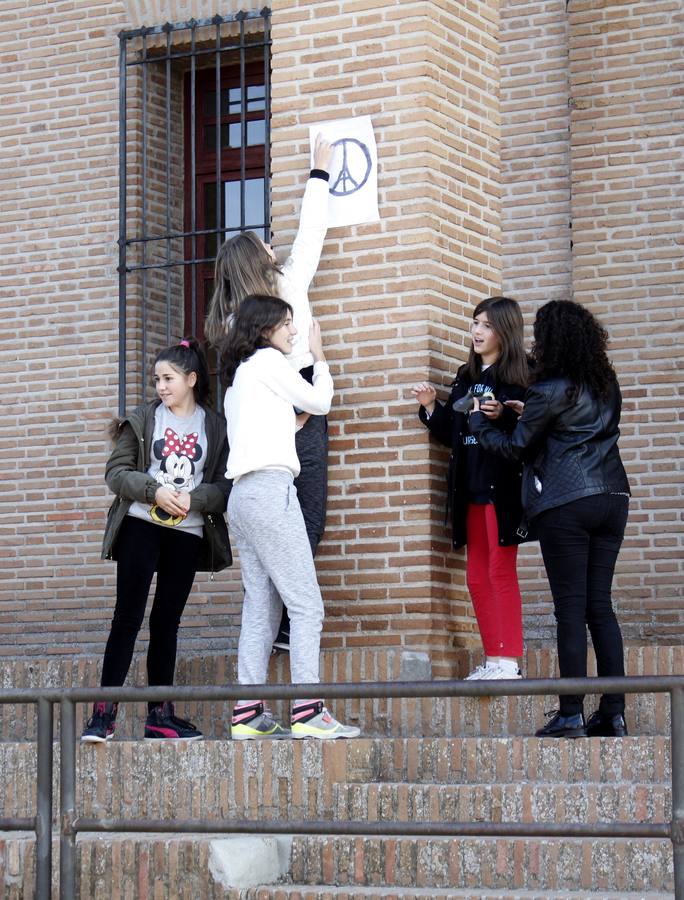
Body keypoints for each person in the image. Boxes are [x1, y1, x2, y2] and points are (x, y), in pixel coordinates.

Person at [470, 300, 630, 738]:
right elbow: (578, 429)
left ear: (554, 338)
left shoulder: (549, 387)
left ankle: (571, 712)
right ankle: (613, 712)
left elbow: (516, 448)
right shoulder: (605, 383)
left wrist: (482, 425)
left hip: (568, 502)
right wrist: (521, 413)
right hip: (613, 497)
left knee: (570, 610)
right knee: (601, 607)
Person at [206, 135, 335, 654]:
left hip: (272, 421)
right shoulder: (276, 294)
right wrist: (319, 175)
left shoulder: (238, 318)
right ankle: (291, 623)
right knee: (307, 516)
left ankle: (276, 630)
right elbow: (312, 236)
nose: (274, 249)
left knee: (303, 523)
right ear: (256, 262)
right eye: (265, 246)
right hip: (297, 400)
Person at [221, 294, 359, 740]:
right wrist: (319, 357)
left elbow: (264, 429)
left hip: (242, 497)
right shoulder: (269, 362)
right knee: (306, 605)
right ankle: (308, 710)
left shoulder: (241, 378)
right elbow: (320, 402)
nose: (294, 331)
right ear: (265, 330)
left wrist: (289, 423)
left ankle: (248, 713)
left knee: (260, 607)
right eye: (287, 324)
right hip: (270, 491)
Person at [81, 339, 232, 743]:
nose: (161, 387)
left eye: (168, 378)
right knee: (126, 619)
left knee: (167, 624)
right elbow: (116, 473)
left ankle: (160, 718)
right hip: (140, 527)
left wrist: (194, 499)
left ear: (192, 379)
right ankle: (102, 716)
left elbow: (224, 485)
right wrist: (153, 491)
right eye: (157, 379)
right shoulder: (143, 418)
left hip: (187, 533)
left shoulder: (214, 426)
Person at [412, 296, 531, 680]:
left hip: (503, 487)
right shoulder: (466, 375)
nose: (477, 331)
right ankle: (493, 658)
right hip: (470, 487)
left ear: (505, 332)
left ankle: (508, 660)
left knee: (500, 570)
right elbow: (453, 432)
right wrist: (432, 408)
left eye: (487, 325)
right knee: (476, 576)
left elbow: (530, 431)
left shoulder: (519, 377)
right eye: (475, 323)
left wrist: (505, 417)